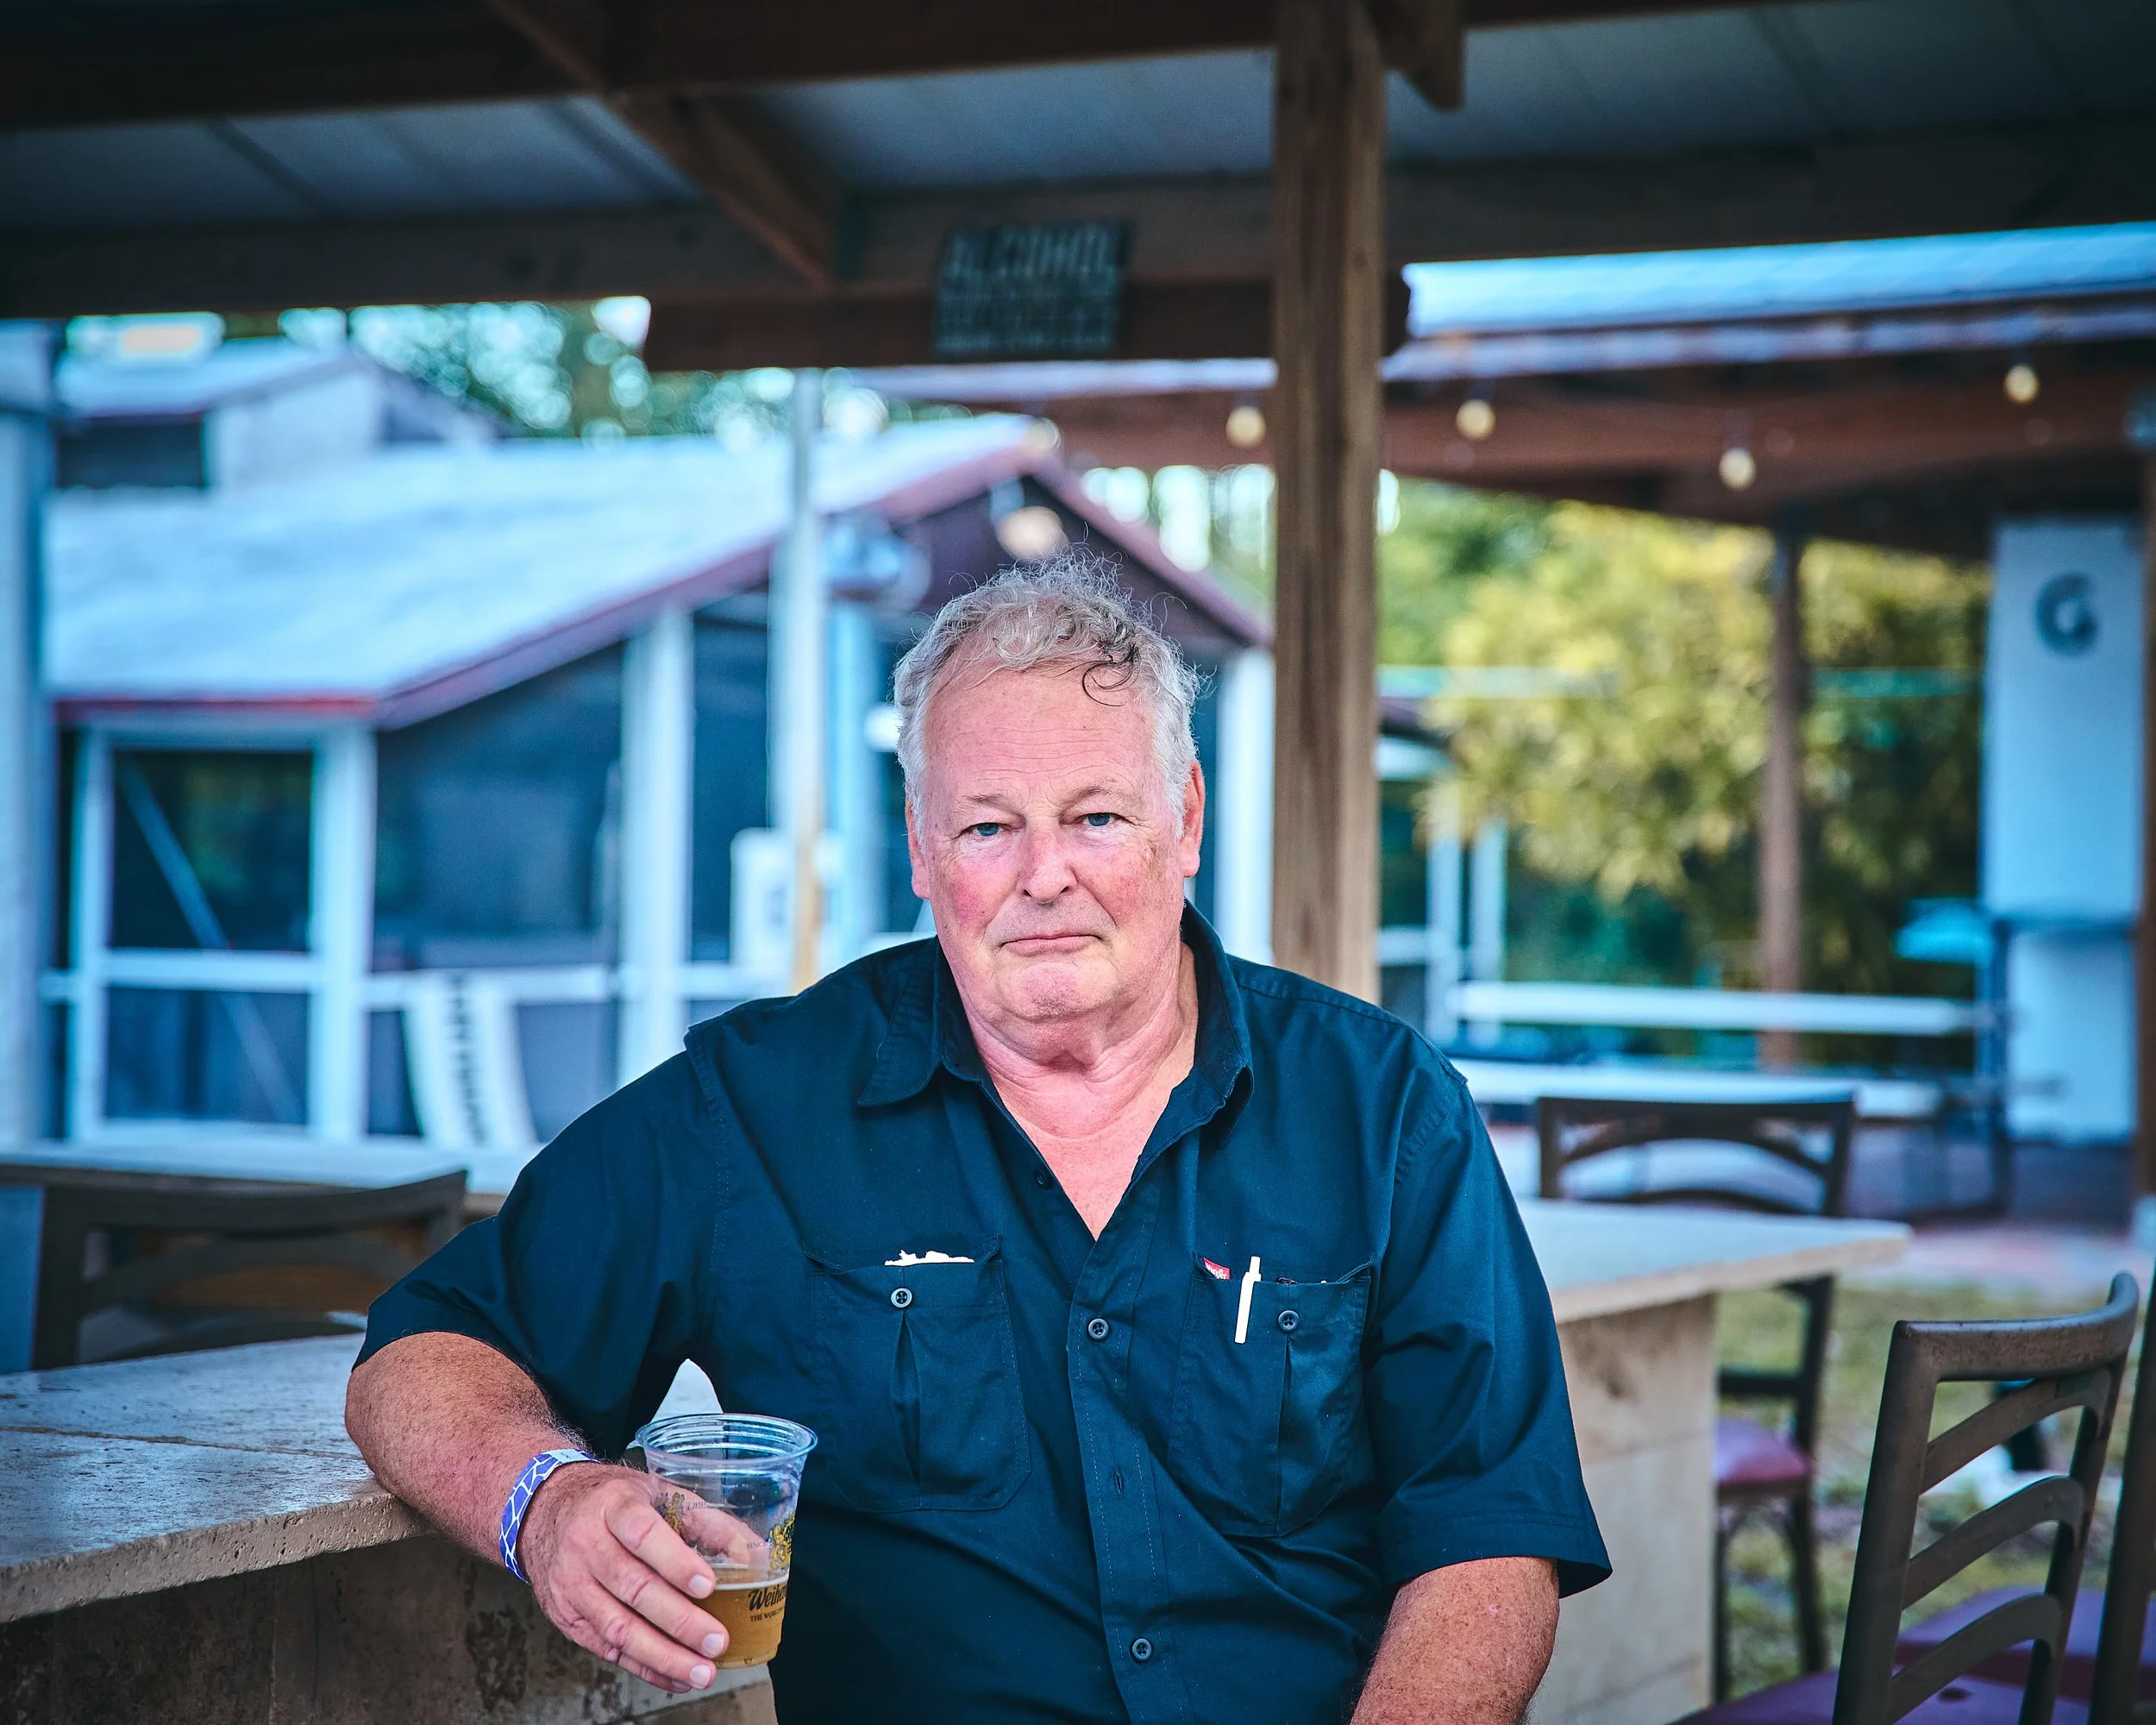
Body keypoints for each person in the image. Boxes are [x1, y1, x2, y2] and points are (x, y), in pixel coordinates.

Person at [348, 554, 1608, 1724]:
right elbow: (422, 1353)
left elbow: (1488, 1538)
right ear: (917, 848)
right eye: (987, 825)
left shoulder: (1382, 1106)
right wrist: (543, 1501)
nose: (1043, 875)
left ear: (1187, 822)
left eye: (1098, 819)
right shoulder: (758, 1108)